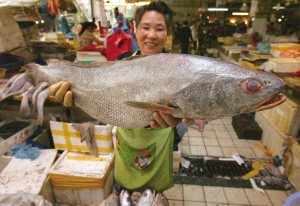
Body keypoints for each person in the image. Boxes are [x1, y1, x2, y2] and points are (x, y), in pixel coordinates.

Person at [51, 0, 198, 196]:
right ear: (135, 29)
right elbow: (104, 98)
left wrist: (183, 120)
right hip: (126, 144)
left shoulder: (178, 70)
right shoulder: (120, 63)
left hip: (160, 145)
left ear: (168, 33)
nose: (152, 35)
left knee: (154, 196)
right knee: (123, 192)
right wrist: (76, 97)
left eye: (159, 29)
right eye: (145, 27)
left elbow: (186, 113)